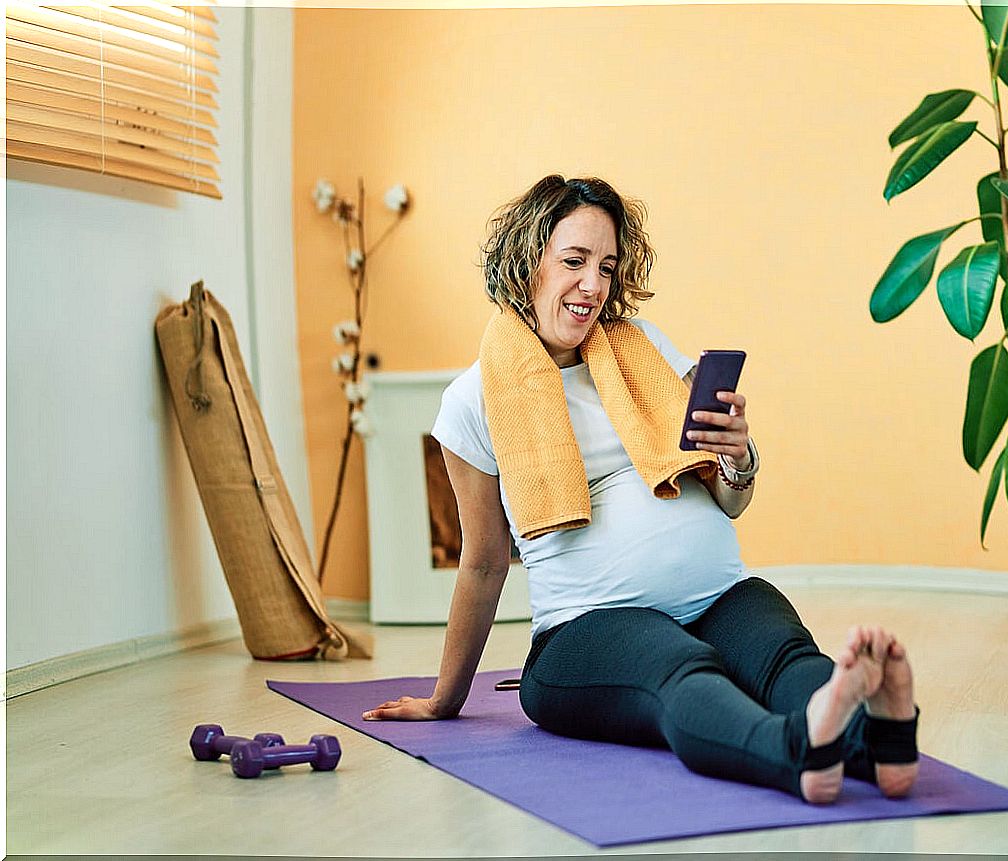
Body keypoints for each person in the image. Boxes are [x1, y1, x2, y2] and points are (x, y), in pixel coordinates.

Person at [361, 175, 920, 804]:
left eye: (607, 266)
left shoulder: (645, 348)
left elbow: (728, 497)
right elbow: (485, 561)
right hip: (585, 629)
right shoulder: (472, 402)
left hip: (719, 594)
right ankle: (796, 754)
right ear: (525, 263)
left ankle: (883, 748)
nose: (593, 286)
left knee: (785, 659)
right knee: (681, 672)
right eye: (573, 261)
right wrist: (445, 698)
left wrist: (739, 456)